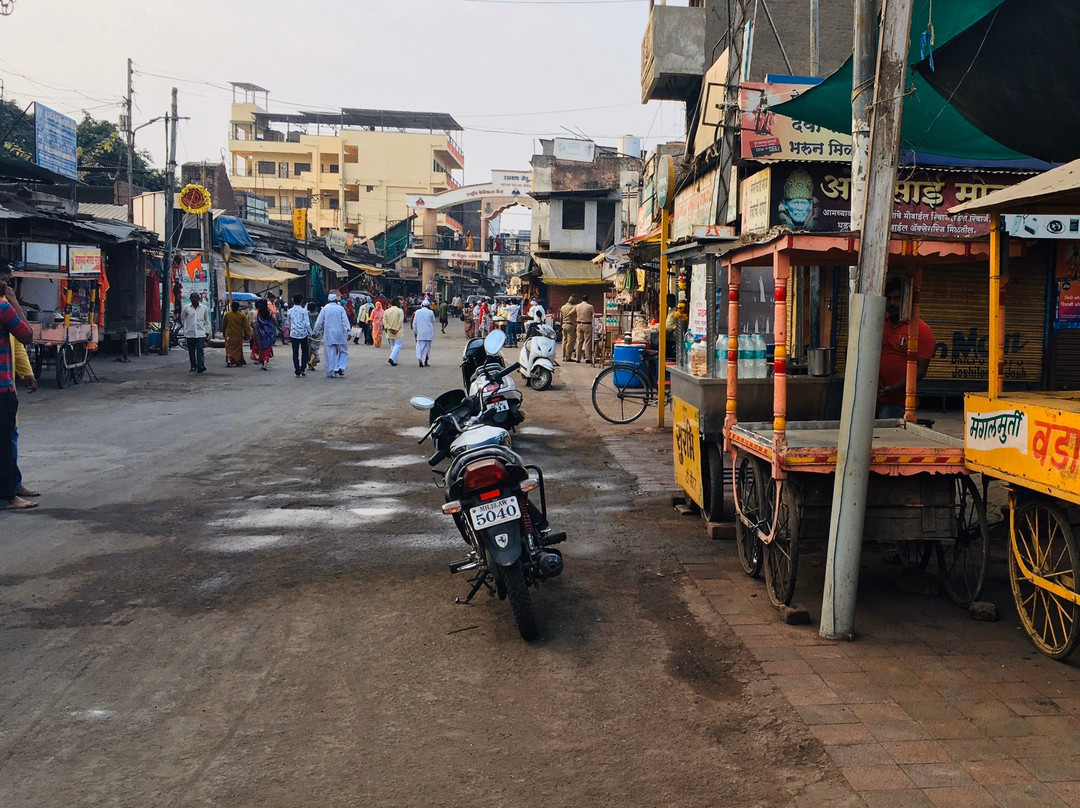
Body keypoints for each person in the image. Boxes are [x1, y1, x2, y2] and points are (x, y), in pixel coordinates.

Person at [878, 277, 934, 419]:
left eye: (897, 298)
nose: (892, 303)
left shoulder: (920, 329)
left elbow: (920, 370)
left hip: (898, 402)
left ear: (905, 300)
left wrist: (894, 388)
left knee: (887, 437)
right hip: (873, 398)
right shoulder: (879, 324)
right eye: (889, 298)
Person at [0, 276, 34, 510]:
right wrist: (13, 300)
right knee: (4, 444)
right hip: (2, 388)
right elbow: (27, 336)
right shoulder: (3, 308)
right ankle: (7, 496)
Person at [313, 292, 351, 378]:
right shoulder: (340, 308)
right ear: (336, 300)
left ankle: (331, 371)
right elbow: (345, 321)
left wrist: (315, 332)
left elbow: (319, 322)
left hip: (329, 334)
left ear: (328, 300)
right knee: (344, 352)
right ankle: (341, 366)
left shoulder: (325, 309)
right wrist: (348, 331)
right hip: (340, 334)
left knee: (330, 353)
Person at [180, 292, 211, 373]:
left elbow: (207, 320)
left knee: (200, 349)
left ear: (199, 299)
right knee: (191, 350)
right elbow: (182, 318)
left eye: (196, 297)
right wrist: (186, 327)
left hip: (201, 332)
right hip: (190, 333)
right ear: (190, 299)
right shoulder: (186, 308)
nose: (194, 299)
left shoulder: (204, 308)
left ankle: (201, 366)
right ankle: (193, 366)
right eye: (193, 298)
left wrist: (207, 331)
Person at [287, 294, 313, 377]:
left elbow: (288, 323)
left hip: (294, 333)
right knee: (305, 351)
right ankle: (303, 368)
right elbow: (307, 323)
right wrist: (311, 333)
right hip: (303, 333)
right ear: (301, 301)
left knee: (295, 352)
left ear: (293, 301)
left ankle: (297, 369)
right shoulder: (304, 311)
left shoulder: (290, 311)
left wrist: (291, 329)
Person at [221, 301, 252, 368]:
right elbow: (246, 326)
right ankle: (237, 361)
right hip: (238, 335)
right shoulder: (242, 315)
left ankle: (229, 359)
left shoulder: (227, 315)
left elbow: (223, 325)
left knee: (229, 348)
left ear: (231, 307)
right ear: (238, 307)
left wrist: (223, 333)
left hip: (229, 334)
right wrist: (248, 334)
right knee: (237, 349)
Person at [253, 298, 277, 370]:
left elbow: (254, 322)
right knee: (267, 348)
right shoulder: (269, 313)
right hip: (269, 333)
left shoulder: (257, 313)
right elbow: (274, 321)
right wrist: (279, 328)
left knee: (261, 348)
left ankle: (261, 360)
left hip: (260, 333)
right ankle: (265, 364)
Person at [412, 299, 437, 367]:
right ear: (429, 306)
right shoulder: (430, 312)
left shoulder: (417, 312)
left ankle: (420, 359)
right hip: (428, 333)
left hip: (420, 333)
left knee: (420, 347)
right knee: (427, 348)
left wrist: (415, 331)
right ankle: (425, 361)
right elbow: (433, 320)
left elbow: (414, 323)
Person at [573, 294, 595, 363]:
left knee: (579, 341)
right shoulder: (590, 307)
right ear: (587, 299)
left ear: (581, 299)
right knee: (587, 341)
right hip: (587, 325)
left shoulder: (577, 306)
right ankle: (588, 358)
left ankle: (578, 358)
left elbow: (570, 314)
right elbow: (594, 315)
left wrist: (574, 322)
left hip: (579, 324)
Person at [383, 297, 405, 366]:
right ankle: (392, 358)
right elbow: (400, 321)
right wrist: (397, 329)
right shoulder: (400, 311)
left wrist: (388, 328)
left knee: (392, 345)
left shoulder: (386, 311)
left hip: (389, 330)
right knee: (398, 345)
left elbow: (384, 321)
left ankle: (394, 360)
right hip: (398, 331)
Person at [560, 295, 578, 362]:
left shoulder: (563, 307)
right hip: (570, 325)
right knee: (570, 342)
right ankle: (568, 357)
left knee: (564, 341)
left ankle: (564, 356)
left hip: (564, 324)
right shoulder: (573, 307)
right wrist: (574, 324)